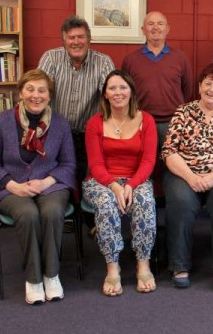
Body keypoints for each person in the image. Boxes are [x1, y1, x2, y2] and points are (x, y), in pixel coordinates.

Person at [0, 69, 77, 305]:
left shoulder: (61, 124)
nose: (36, 95)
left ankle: (51, 275)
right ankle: (34, 279)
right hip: (10, 186)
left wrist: (46, 181)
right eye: (30, 89)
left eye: (42, 90)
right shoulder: (2, 121)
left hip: (50, 184)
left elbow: (68, 164)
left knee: (52, 211)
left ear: (49, 95)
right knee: (28, 213)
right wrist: (13, 185)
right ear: (20, 93)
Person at [162, 63, 213, 292]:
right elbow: (169, 152)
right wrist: (191, 177)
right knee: (180, 203)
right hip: (183, 173)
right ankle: (179, 265)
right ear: (199, 86)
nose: (212, 89)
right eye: (208, 84)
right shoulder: (183, 111)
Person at [82, 70, 157, 296]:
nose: (118, 92)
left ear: (131, 91)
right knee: (106, 202)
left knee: (144, 199)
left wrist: (131, 185)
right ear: (105, 94)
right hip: (101, 181)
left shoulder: (147, 120)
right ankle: (112, 267)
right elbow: (95, 165)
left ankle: (143, 263)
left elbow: (149, 161)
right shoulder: (95, 123)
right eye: (112, 88)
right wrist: (115, 186)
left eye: (123, 87)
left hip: (136, 179)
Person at [38, 15, 115, 232]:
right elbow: (41, 93)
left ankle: (91, 221)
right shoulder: (51, 59)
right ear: (64, 41)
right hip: (54, 133)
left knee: (90, 176)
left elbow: (110, 95)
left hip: (88, 133)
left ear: (89, 40)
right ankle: (62, 218)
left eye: (80, 37)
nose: (76, 42)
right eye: (71, 37)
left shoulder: (103, 62)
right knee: (58, 179)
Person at [122, 11, 194, 145]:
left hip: (173, 123)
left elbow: (188, 91)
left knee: (170, 165)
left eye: (160, 24)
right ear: (143, 30)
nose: (155, 27)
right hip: (140, 121)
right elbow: (126, 93)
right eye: (150, 24)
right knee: (145, 163)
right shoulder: (130, 60)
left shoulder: (180, 58)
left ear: (167, 29)